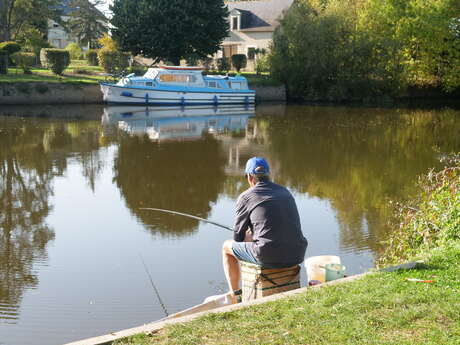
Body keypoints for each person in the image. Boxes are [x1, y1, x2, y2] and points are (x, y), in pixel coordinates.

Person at [222, 157, 308, 302]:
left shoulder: (246, 197)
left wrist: (248, 236)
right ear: (269, 174)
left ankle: (235, 295)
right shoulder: (285, 192)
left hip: (268, 255)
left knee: (226, 247)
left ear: (249, 177)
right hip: (297, 253)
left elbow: (237, 237)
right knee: (255, 240)